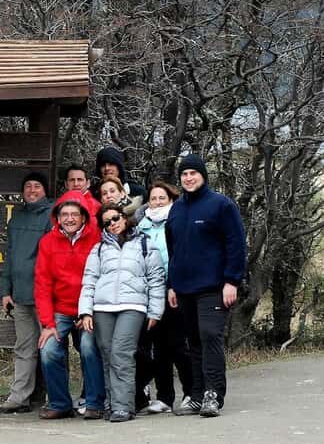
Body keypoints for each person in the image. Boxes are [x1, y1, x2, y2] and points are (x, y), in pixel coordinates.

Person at [166, 155, 246, 417]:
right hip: (184, 288)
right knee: (193, 342)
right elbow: (173, 250)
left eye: (193, 173)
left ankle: (214, 393)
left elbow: (235, 244)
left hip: (214, 286)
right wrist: (172, 286)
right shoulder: (176, 209)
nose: (188, 178)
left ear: (203, 175)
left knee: (210, 335)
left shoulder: (221, 205)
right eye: (184, 174)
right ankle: (197, 395)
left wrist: (232, 280)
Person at [79, 203, 166, 422]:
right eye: (107, 222)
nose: (113, 224)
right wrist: (85, 312)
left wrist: (155, 311)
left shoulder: (145, 243)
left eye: (115, 218)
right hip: (103, 308)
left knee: (121, 352)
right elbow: (89, 282)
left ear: (124, 218)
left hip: (133, 306)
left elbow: (156, 279)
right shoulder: (99, 249)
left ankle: (124, 406)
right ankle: (111, 403)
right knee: (107, 354)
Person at [34, 191, 105, 420]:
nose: (70, 218)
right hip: (61, 309)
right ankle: (60, 403)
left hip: (90, 309)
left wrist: (91, 311)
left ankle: (95, 403)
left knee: (88, 347)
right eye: (64, 214)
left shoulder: (98, 238)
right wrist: (47, 323)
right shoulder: (48, 242)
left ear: (84, 216)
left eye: (75, 214)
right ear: (57, 216)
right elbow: (42, 284)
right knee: (48, 350)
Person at [0, 171, 53, 414]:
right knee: (24, 347)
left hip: (44, 294)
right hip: (19, 295)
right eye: (27, 186)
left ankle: (55, 398)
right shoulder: (16, 218)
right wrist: (5, 290)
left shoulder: (52, 215)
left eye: (37, 186)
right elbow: (9, 256)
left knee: (51, 349)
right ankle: (19, 397)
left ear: (45, 190)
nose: (31, 190)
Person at [137, 180, 193, 413]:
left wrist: (176, 284)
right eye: (153, 198)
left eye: (162, 198)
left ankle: (191, 392)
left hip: (175, 289)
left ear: (171, 200)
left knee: (178, 345)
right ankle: (165, 397)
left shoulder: (179, 221)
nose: (157, 202)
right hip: (151, 291)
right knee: (158, 347)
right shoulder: (141, 226)